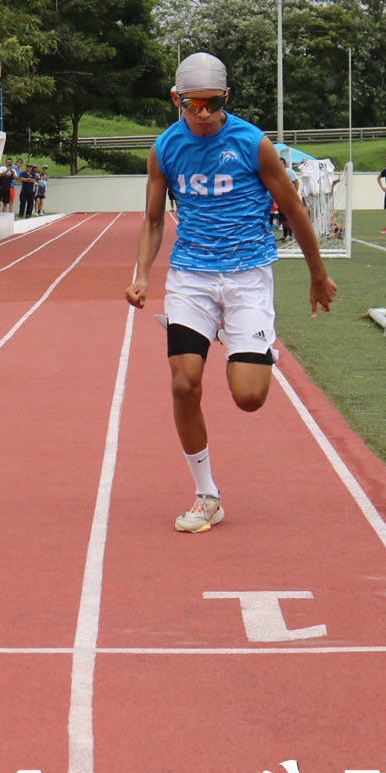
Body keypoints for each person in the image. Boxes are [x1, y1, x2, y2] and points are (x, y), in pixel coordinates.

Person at [125, 52, 337, 535]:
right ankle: (207, 496)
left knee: (248, 398)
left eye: (213, 104)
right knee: (184, 384)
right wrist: (142, 275)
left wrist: (317, 274)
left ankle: (254, 345)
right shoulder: (164, 148)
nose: (203, 115)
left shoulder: (251, 143)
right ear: (176, 99)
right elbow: (154, 218)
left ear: (227, 99)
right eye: (194, 104)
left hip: (246, 277)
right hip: (192, 278)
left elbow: (295, 210)